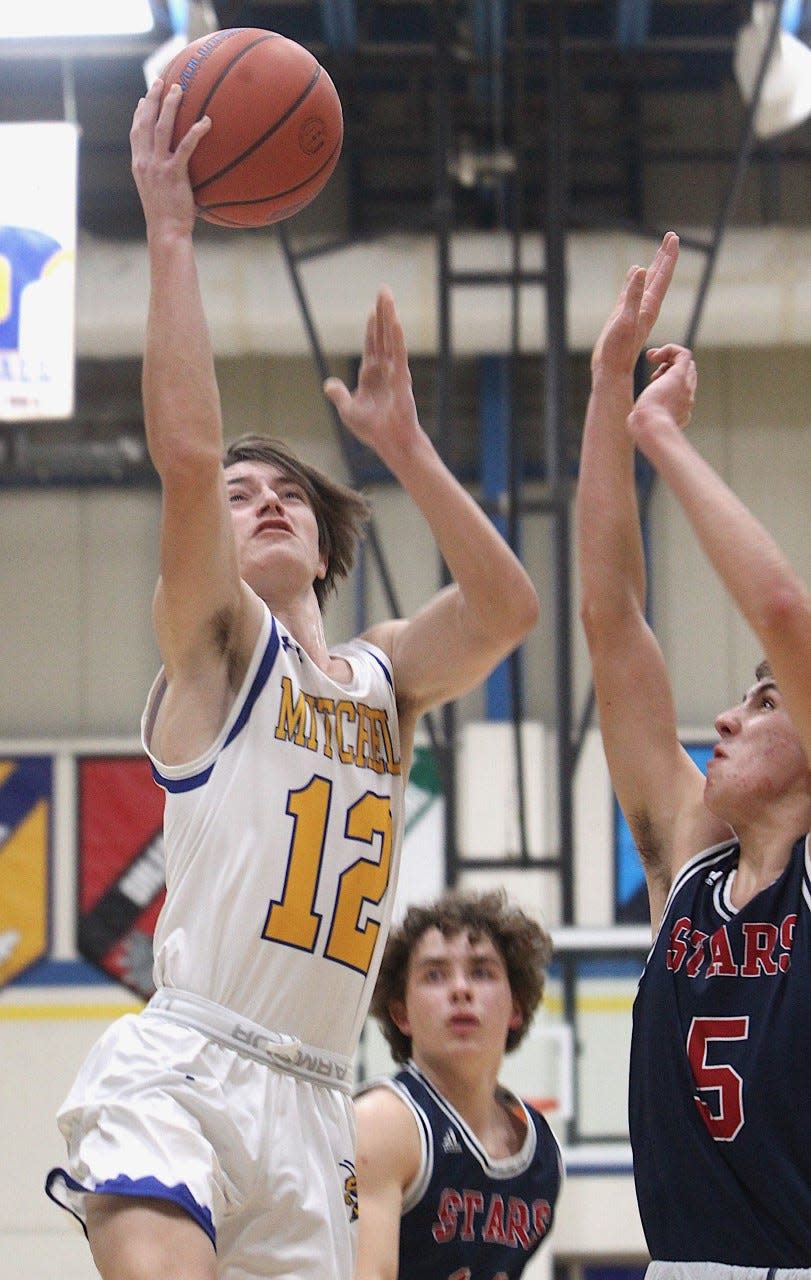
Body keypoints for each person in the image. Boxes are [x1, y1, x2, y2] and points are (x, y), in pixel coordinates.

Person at [44, 79, 539, 1280]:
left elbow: (508, 609)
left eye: (289, 496)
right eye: (239, 497)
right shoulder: (218, 644)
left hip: (319, 1103)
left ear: (325, 542)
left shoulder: (385, 679)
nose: (261, 498)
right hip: (191, 1068)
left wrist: (410, 450)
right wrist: (171, 234)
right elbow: (189, 453)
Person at [577, 230, 811, 1273]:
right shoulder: (691, 865)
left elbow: (781, 609)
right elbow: (610, 616)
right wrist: (603, 390)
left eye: (763, 702)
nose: (722, 717)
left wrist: (663, 438)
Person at [353, 888, 562, 1280]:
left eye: (481, 971)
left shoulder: (539, 1155)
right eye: (434, 975)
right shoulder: (383, 1124)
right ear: (402, 1014)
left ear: (516, 1006)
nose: (460, 989)